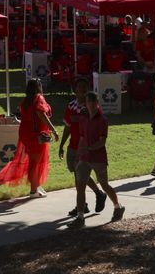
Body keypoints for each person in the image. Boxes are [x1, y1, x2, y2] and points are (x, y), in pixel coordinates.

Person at [67, 92, 125, 229]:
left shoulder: (102, 120)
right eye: (89, 102)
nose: (91, 104)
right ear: (86, 103)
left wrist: (89, 148)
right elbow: (81, 137)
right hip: (84, 157)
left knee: (104, 185)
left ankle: (118, 207)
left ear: (97, 103)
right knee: (80, 186)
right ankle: (80, 217)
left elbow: (102, 141)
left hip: (98, 158)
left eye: (93, 102)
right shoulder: (84, 119)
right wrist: (78, 153)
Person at [0, 79, 60, 197]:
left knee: (34, 161)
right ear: (38, 87)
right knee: (36, 162)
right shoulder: (38, 98)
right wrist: (54, 130)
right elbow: (42, 115)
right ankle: (33, 190)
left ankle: (36, 185)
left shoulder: (26, 100)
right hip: (36, 134)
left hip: (26, 133)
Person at [59, 77, 107, 217]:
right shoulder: (71, 106)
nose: (82, 90)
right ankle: (94, 197)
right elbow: (67, 127)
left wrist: (79, 119)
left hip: (85, 146)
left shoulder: (90, 107)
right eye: (79, 87)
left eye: (84, 87)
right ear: (74, 90)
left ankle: (82, 205)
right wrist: (62, 144)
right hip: (72, 145)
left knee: (80, 175)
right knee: (77, 174)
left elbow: (96, 123)